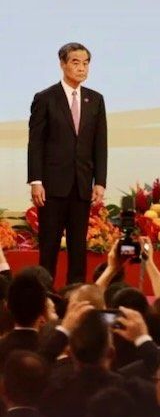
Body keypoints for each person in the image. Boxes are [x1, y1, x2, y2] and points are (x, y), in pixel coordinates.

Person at [27, 42, 108, 284]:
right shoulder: (45, 98)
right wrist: (36, 181)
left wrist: (100, 182)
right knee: (49, 246)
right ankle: (46, 295)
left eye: (86, 63)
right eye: (75, 62)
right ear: (62, 64)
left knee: (78, 247)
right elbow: (36, 143)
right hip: (52, 186)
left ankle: (76, 293)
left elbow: (100, 144)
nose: (82, 68)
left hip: (82, 185)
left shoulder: (95, 99)